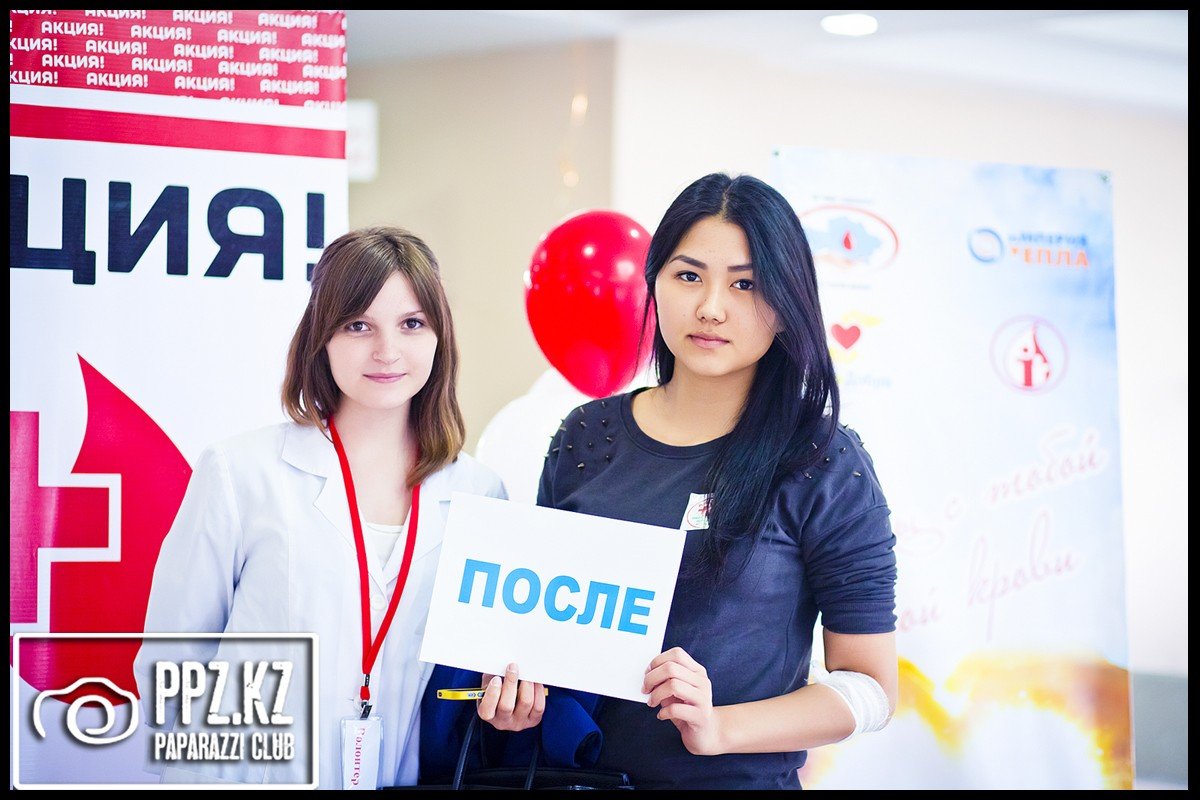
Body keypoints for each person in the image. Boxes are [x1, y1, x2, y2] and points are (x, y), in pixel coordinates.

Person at [471, 172, 898, 789]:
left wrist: (721, 727)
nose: (711, 308)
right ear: (654, 284)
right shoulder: (586, 437)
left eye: (746, 284)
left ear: (787, 304)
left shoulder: (821, 459)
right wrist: (519, 703)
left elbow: (871, 687)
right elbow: (545, 641)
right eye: (688, 275)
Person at [134, 226, 507, 788]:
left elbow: (471, 677)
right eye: (358, 325)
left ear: (439, 337)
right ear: (322, 337)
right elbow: (172, 660)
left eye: (411, 324)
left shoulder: (480, 494)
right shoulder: (241, 473)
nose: (387, 351)